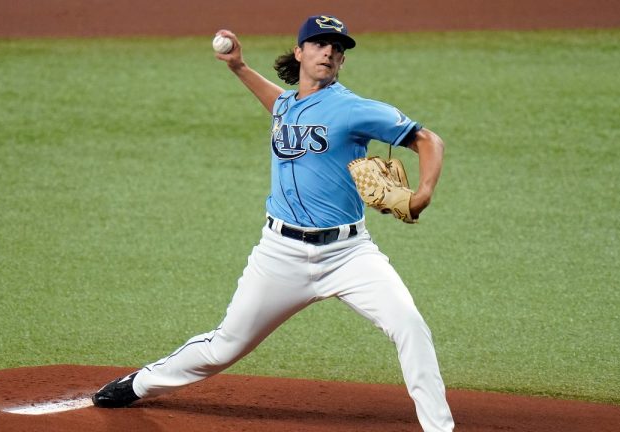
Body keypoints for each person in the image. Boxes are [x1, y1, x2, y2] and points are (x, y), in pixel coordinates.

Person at [92, 14, 454, 432]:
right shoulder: (286, 104)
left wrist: (423, 193)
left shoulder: (354, 109)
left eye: (337, 48)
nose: (329, 52)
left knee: (409, 325)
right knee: (224, 346)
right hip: (279, 254)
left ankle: (438, 427)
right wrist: (239, 67)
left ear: (341, 61)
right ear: (300, 52)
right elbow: (278, 102)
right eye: (319, 44)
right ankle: (140, 384)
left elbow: (429, 140)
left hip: (349, 254)